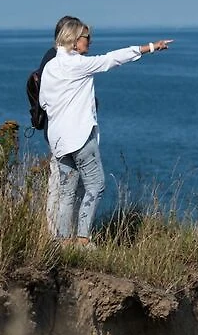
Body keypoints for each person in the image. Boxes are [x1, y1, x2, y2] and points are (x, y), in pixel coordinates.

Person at [40, 17, 172, 246]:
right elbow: (113, 58)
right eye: (86, 37)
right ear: (74, 40)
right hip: (80, 138)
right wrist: (151, 47)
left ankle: (62, 241)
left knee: (66, 192)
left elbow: (44, 102)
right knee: (96, 185)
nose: (90, 41)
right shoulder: (78, 64)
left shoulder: (50, 67)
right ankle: (83, 239)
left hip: (58, 140)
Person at [37, 16, 81, 239]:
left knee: (69, 183)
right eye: (79, 35)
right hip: (62, 133)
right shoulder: (55, 60)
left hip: (61, 131)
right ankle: (57, 236)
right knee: (61, 183)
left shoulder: (53, 58)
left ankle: (65, 234)